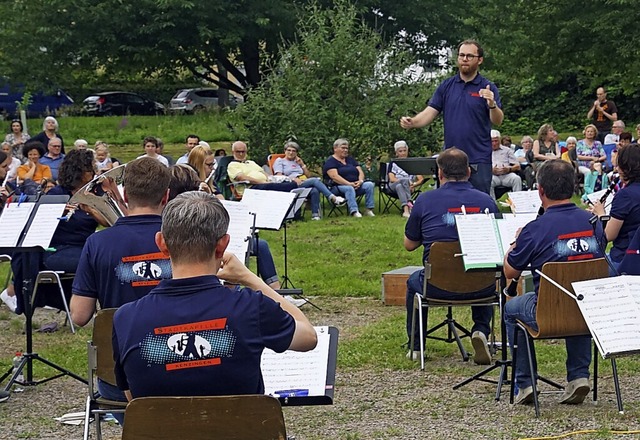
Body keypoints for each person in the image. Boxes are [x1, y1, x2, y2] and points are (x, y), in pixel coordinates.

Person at [112, 191, 317, 400]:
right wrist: (248, 278)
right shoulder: (251, 307)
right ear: (222, 245)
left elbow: (134, 401)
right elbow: (308, 337)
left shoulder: (125, 318)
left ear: (161, 243)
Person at [71, 157, 173, 422]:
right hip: (179, 372)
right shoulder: (181, 240)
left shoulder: (96, 243)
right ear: (167, 195)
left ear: (125, 194)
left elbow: (79, 316)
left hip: (117, 379)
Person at [503, 159, 604, 405]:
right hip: (588, 312)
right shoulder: (594, 224)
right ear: (574, 185)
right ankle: (579, 377)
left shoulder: (535, 229)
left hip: (547, 313)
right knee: (576, 295)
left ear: (541, 191)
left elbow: (510, 271)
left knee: (511, 309)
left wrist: (515, 244)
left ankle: (525, 384)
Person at [404, 148, 498, 364]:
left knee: (412, 281)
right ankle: (481, 330)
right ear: (468, 171)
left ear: (439, 173)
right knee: (480, 265)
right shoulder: (487, 201)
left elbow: (409, 245)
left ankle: (417, 346)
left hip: (436, 285)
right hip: (482, 286)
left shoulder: (425, 200)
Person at [7, 150, 107, 316]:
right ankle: (85, 309)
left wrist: (90, 209)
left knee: (106, 259)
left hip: (84, 247)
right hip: (56, 250)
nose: (94, 173)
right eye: (90, 170)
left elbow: (109, 222)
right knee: (97, 263)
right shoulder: (57, 194)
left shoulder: (94, 194)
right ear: (79, 172)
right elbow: (39, 227)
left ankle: (106, 310)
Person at [400, 39, 503, 194]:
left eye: (469, 56)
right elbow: (430, 112)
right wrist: (413, 122)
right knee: (448, 204)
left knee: (478, 205)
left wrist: (491, 104)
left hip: (478, 158)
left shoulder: (487, 87)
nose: (464, 59)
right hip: (450, 158)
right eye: (461, 55)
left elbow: (498, 120)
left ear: (479, 60)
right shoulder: (447, 86)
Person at [591, 143, 640, 273]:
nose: (616, 169)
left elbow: (609, 235)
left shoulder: (625, 195)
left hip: (624, 261)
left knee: (584, 271)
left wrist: (600, 214)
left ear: (626, 168)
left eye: (618, 165)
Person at [272, 141, 345, 220]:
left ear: (296, 153)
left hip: (303, 182)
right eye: (289, 150)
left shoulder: (297, 162)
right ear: (285, 151)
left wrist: (302, 165)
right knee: (314, 181)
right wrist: (292, 179)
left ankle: (315, 215)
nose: (291, 152)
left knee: (314, 190)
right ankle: (333, 198)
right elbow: (279, 176)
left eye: (294, 151)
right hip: (290, 184)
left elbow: (308, 175)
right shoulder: (280, 161)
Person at [322, 138, 375, 217]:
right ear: (335, 149)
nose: (346, 150)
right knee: (348, 188)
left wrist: (360, 181)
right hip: (336, 187)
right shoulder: (330, 161)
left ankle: (369, 209)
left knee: (369, 185)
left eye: (347, 148)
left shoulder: (350, 159)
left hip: (355, 185)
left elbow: (360, 171)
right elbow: (334, 176)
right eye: (343, 148)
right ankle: (354, 211)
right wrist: (349, 184)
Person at [227, 141, 297, 196]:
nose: (241, 154)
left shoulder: (251, 162)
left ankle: (292, 210)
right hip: (250, 188)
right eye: (238, 152)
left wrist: (271, 180)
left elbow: (265, 174)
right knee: (288, 186)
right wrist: (263, 182)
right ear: (233, 152)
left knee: (289, 184)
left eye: (243, 151)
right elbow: (242, 178)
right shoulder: (232, 165)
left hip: (264, 184)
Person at [388, 140, 424, 218]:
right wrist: (407, 183)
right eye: (400, 151)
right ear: (396, 153)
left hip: (408, 187)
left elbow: (421, 179)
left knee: (400, 187)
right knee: (403, 181)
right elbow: (392, 179)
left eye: (405, 151)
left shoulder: (412, 163)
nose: (403, 153)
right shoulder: (393, 163)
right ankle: (410, 204)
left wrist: (413, 185)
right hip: (393, 185)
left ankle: (406, 210)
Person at [490, 129, 521, 199]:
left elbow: (518, 166)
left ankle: (517, 203)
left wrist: (509, 169)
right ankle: (493, 205)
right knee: (488, 181)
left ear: (500, 140)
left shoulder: (507, 150)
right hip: (493, 175)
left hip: (507, 174)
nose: (494, 143)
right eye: (492, 141)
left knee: (517, 179)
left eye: (496, 141)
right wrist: (491, 170)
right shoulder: (485, 151)